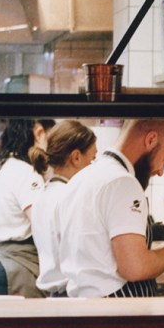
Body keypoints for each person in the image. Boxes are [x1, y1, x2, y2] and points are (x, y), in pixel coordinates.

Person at [56, 119, 164, 298]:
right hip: (114, 314)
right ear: (151, 140)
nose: (161, 171)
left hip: (83, 307)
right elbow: (134, 268)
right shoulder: (123, 182)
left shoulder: (81, 178)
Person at [0, 119, 49, 298]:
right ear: (38, 134)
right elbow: (43, 226)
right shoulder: (27, 172)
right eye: (49, 138)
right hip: (14, 272)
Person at [31, 120, 98, 296]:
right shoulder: (70, 197)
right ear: (76, 157)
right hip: (71, 295)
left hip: (53, 295)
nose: (93, 166)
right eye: (92, 159)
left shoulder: (42, 194)